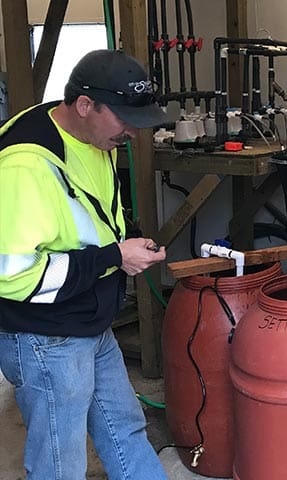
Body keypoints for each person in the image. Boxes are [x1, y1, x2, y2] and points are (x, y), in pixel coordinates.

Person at [0, 50, 168, 479]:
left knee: (124, 429)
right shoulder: (26, 165)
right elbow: (12, 276)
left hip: (90, 320)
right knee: (61, 463)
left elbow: (93, 211)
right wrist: (114, 257)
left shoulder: (92, 135)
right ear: (85, 105)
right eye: (124, 118)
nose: (132, 131)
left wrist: (127, 238)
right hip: (45, 336)